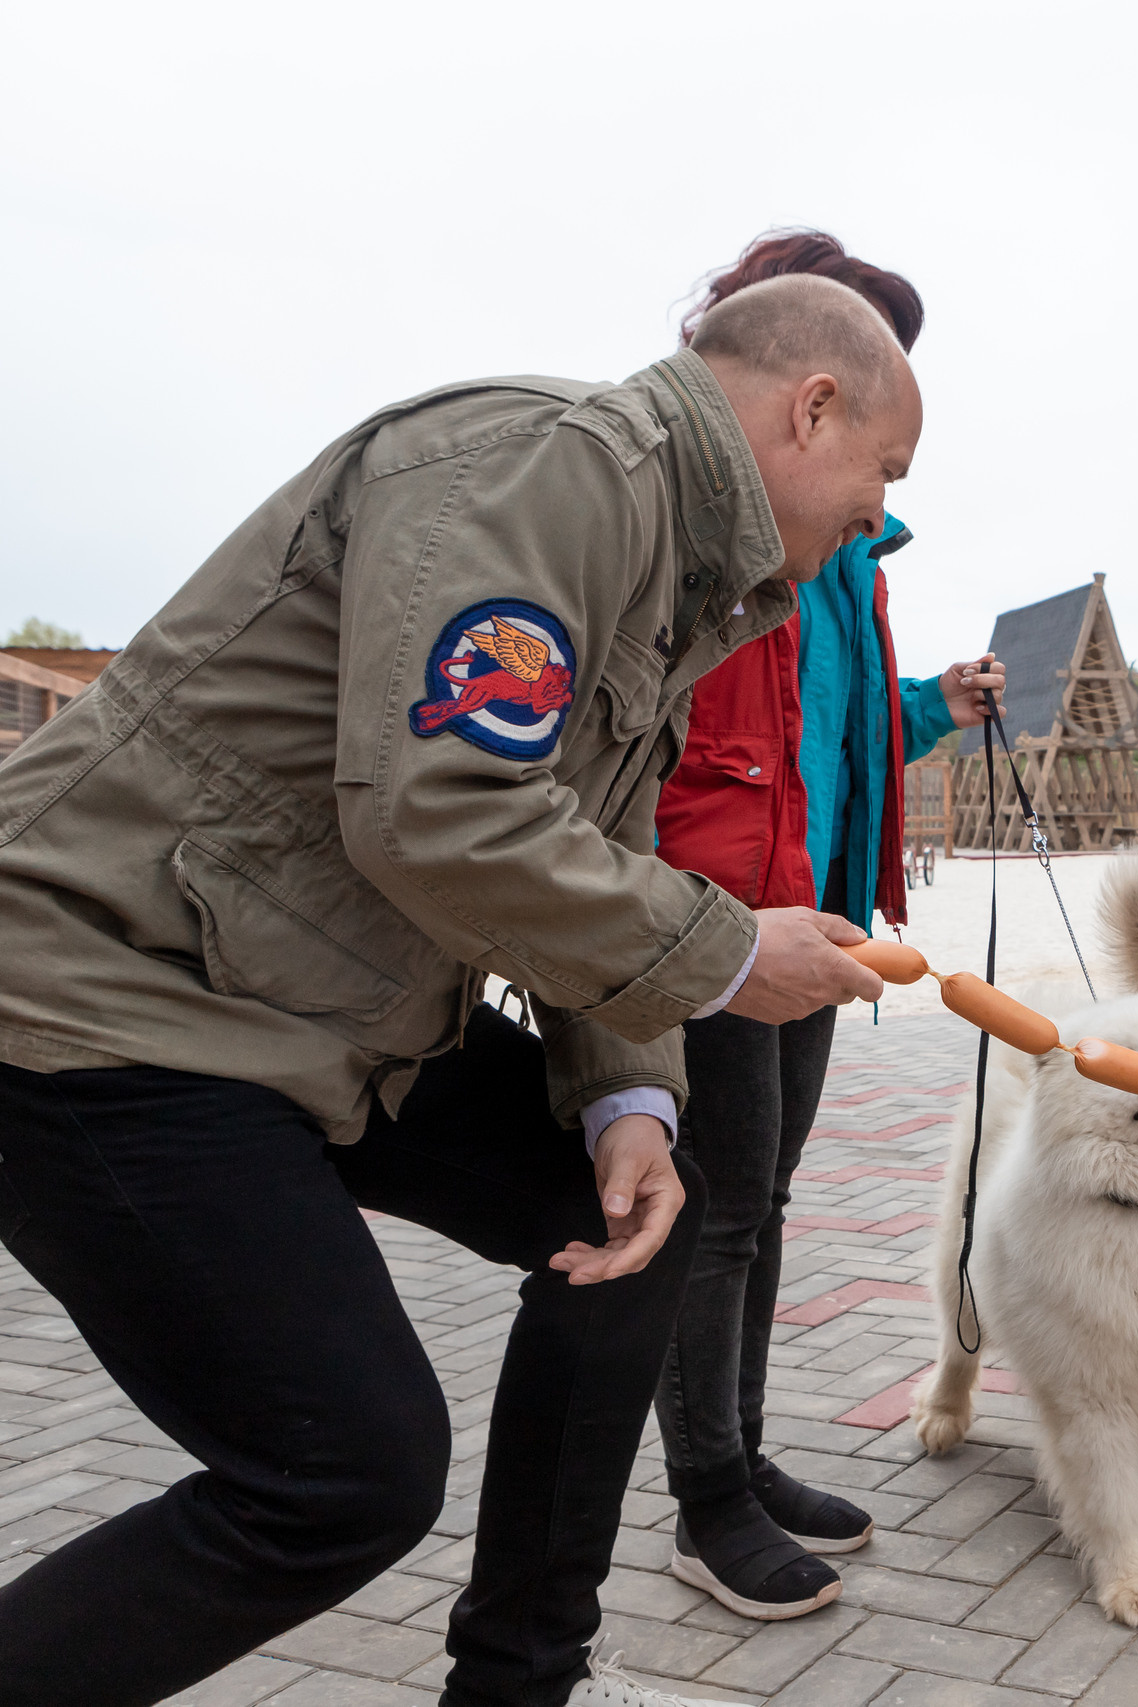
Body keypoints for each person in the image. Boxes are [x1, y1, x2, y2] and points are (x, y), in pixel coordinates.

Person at [0, 274, 913, 1707]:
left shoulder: (669, 572)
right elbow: (442, 811)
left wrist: (624, 1096)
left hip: (313, 1003)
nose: (876, 517)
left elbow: (593, 849)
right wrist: (732, 953)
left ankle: (519, 1684)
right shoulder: (551, 471)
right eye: (883, 474)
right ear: (813, 408)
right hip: (116, 992)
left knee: (639, 1208)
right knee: (342, 1473)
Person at [645, 232, 1005, 1622]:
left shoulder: (851, 551)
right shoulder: (708, 525)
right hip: (719, 913)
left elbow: (836, 729)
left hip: (822, 905)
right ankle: (705, 1499)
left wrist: (937, 707)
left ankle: (738, 1455)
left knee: (764, 1197)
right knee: (717, 1208)